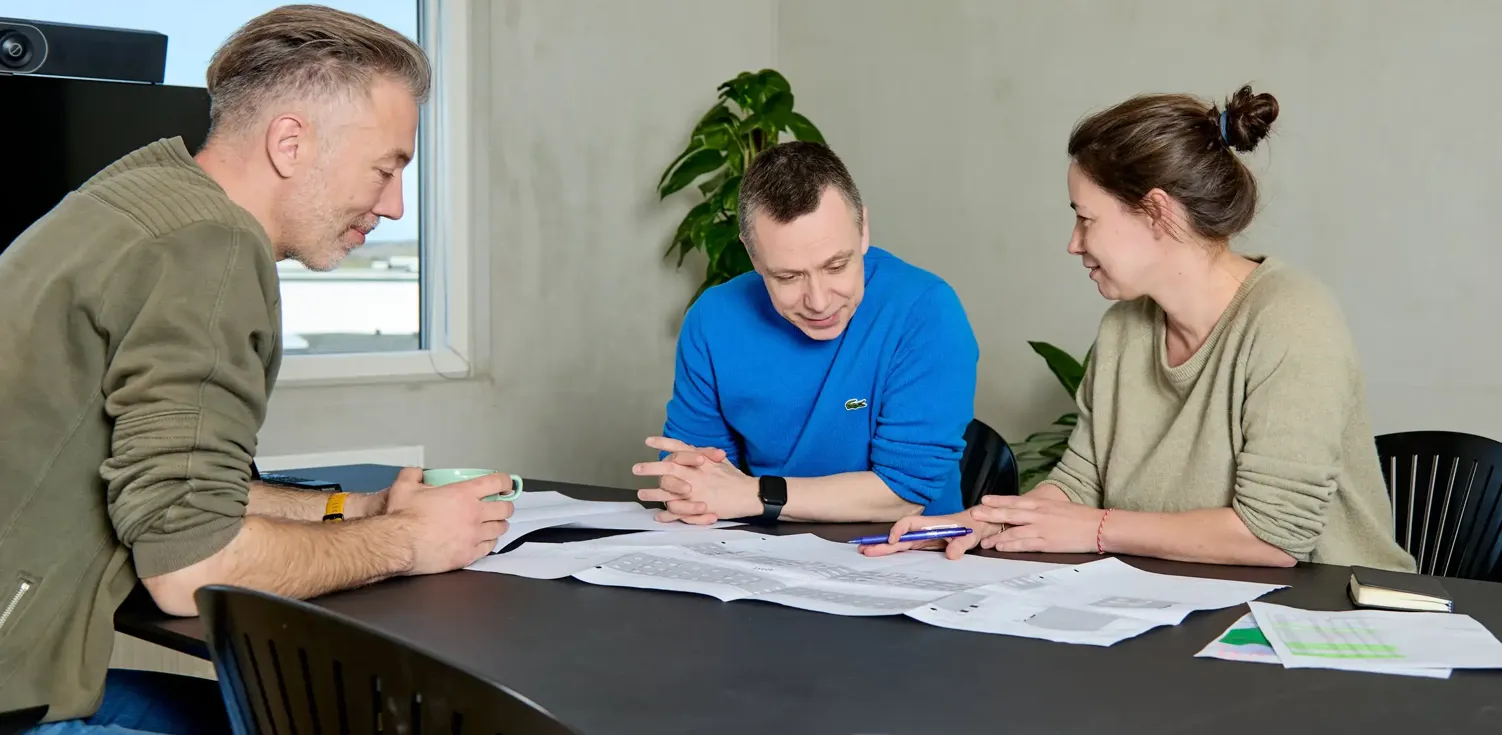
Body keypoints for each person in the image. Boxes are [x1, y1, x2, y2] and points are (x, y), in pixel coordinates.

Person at [0, 6, 515, 732]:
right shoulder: (210, 247)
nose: (396, 206)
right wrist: (409, 542)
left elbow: (183, 488)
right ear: (290, 142)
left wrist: (358, 511)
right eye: (387, 167)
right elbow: (193, 567)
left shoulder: (141, 199)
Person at [865, 85, 1415, 572]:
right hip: (1186, 613)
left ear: (1156, 213)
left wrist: (1097, 529)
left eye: (1086, 218)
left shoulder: (1293, 318)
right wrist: (996, 520)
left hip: (1327, 626)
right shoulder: (1125, 328)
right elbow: (1079, 483)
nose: (1073, 242)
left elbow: (1274, 535)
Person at [632, 141, 979, 525]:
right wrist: (688, 486)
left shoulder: (926, 311)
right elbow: (700, 475)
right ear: (752, 254)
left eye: (836, 266)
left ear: (863, 229)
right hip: (759, 552)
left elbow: (903, 493)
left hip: (906, 558)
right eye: (788, 276)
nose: (818, 301)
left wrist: (755, 493)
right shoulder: (712, 320)